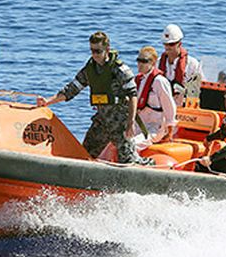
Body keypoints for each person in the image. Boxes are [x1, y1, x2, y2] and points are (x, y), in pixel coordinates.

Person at [36, 31, 152, 165]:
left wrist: (130, 123)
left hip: (120, 124)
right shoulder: (90, 69)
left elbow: (133, 95)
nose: (94, 55)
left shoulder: (119, 69)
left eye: (98, 51)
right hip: (101, 122)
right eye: (92, 51)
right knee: (84, 155)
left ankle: (149, 168)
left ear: (107, 49)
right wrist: (48, 101)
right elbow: (72, 89)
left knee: (128, 161)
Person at [133, 46, 177, 148]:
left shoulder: (160, 82)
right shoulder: (138, 80)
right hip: (138, 124)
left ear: (153, 63)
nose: (140, 64)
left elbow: (169, 107)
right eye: (138, 60)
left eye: (144, 61)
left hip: (154, 128)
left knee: (133, 144)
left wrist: (169, 130)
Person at [157, 23, 203, 106]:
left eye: (171, 44)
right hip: (163, 106)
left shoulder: (192, 64)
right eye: (165, 44)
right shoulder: (158, 63)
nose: (168, 47)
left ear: (179, 44)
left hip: (184, 107)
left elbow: (200, 88)